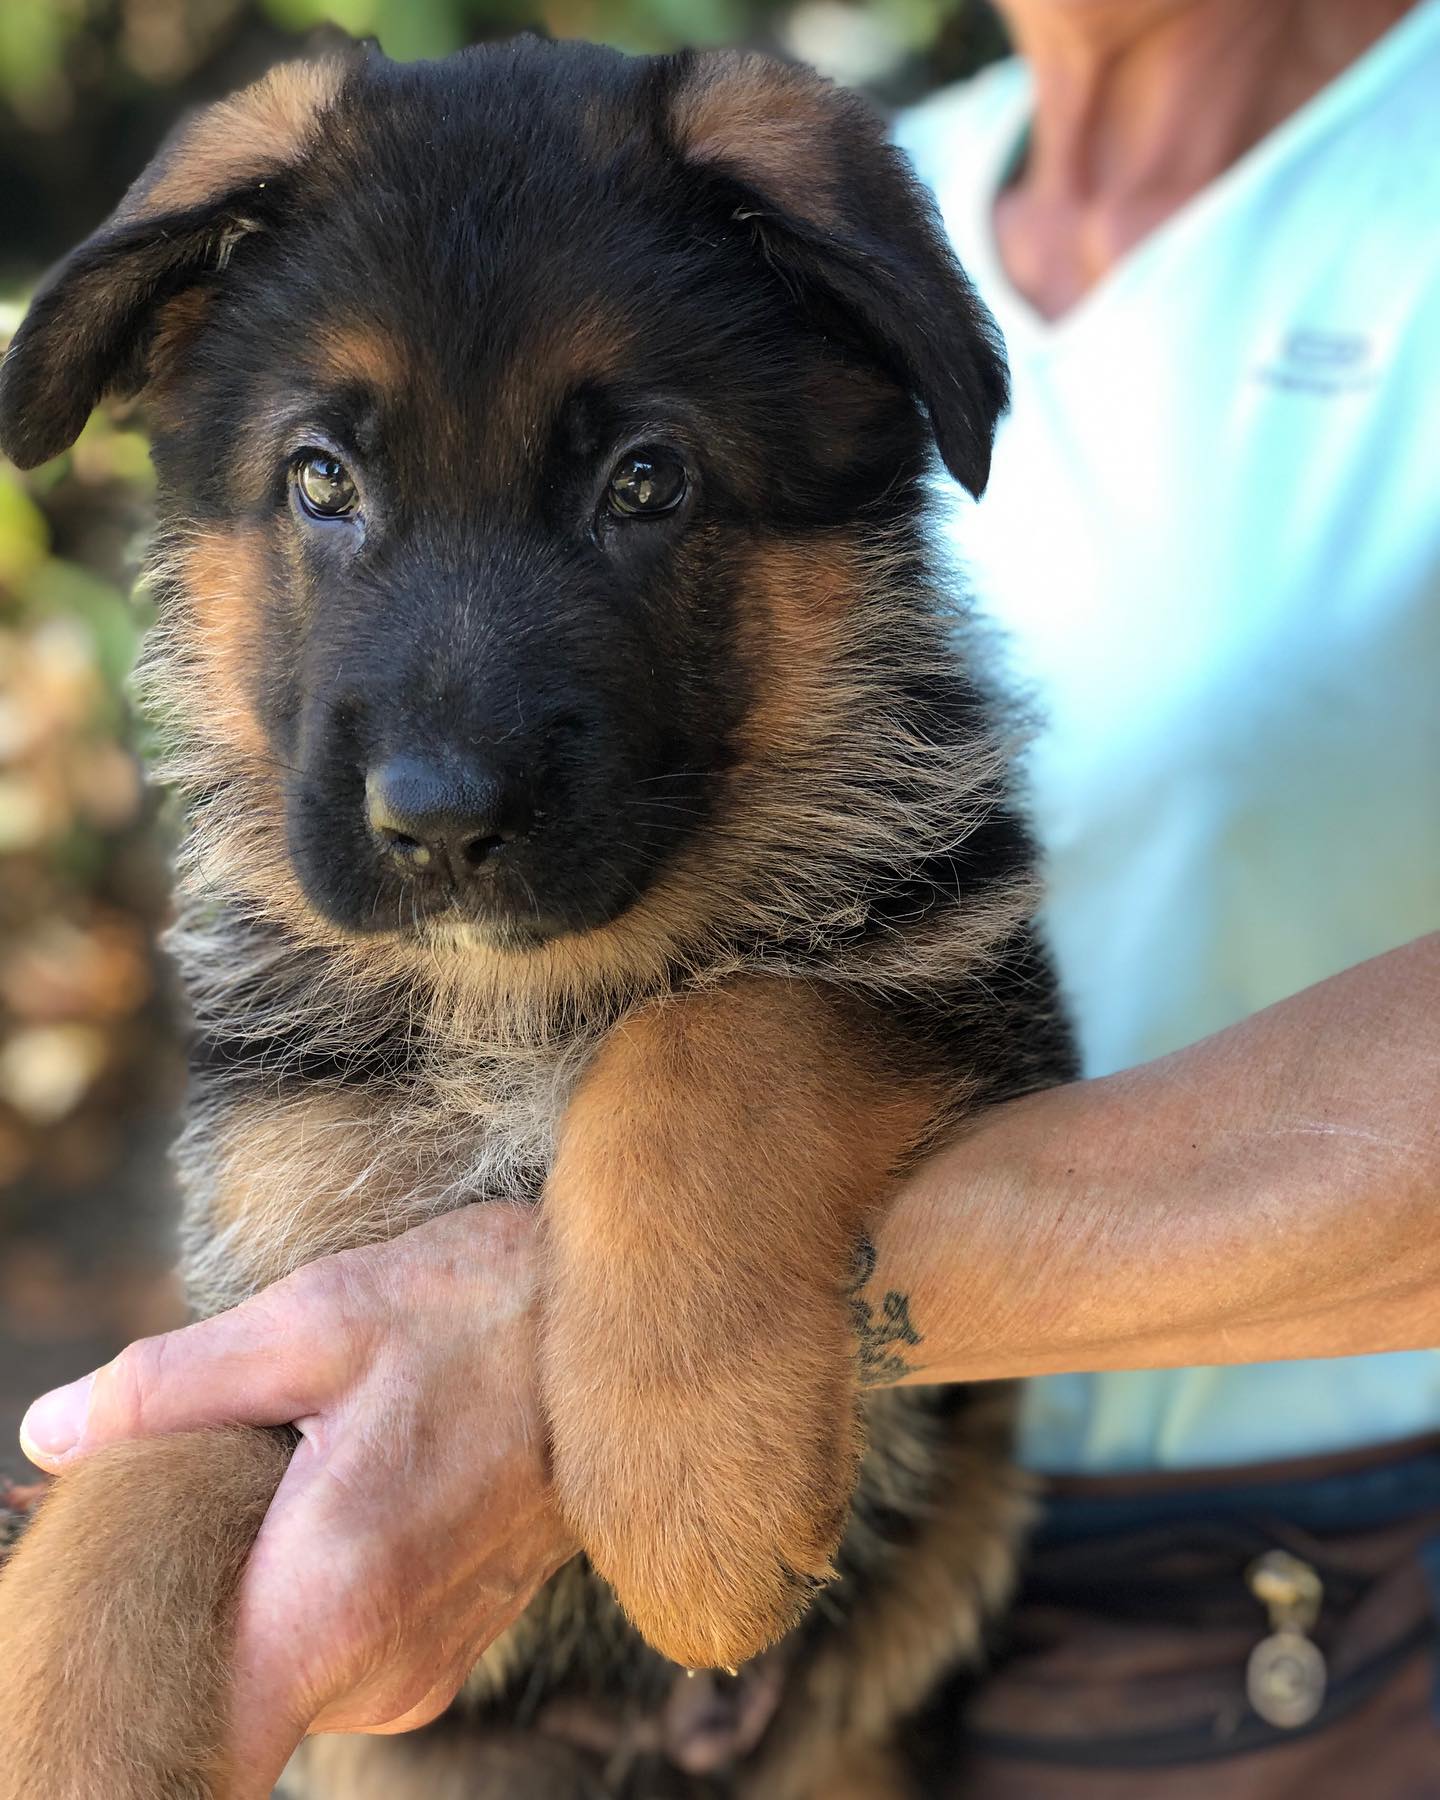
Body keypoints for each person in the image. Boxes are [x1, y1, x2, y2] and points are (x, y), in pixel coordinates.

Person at [16, 0, 1440, 1789]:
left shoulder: (818, 216)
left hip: (1306, 1621)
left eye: (641, 483)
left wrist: (706, 1167)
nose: (435, 770)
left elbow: (941, 1004)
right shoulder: (925, 157)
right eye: (326, 482)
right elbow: (293, 1407)